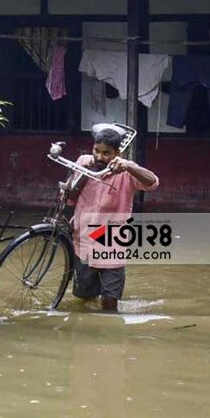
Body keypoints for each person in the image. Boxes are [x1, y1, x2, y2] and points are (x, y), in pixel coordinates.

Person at [66, 123, 159, 312]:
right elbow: (68, 196)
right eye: (96, 151)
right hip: (83, 241)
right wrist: (83, 173)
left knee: (109, 303)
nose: (100, 157)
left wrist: (130, 166)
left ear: (118, 154)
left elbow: (153, 183)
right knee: (83, 300)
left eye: (106, 153)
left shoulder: (126, 172)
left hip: (112, 245)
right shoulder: (84, 161)